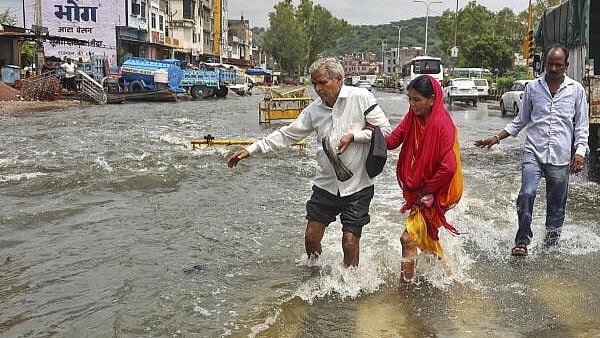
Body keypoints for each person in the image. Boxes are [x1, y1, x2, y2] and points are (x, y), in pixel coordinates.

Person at [227, 57, 391, 267]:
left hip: (358, 184)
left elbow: (385, 131)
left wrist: (354, 136)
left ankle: (352, 290)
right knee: (311, 238)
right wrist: (251, 149)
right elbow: (287, 134)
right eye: (315, 84)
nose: (318, 88)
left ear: (339, 79)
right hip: (327, 184)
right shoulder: (314, 110)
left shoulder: (361, 97)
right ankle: (315, 276)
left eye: (323, 83)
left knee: (350, 242)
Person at [474, 44, 589, 256]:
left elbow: (582, 126)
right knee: (526, 193)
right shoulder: (533, 88)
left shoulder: (576, 91)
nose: (553, 69)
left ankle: (551, 245)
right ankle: (522, 241)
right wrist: (497, 137)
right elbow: (521, 120)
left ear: (567, 65)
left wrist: (580, 152)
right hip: (533, 152)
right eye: (550, 64)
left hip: (561, 156)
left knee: (557, 206)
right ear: (544, 64)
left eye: (558, 65)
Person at [386, 75, 463, 281]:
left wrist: (426, 191)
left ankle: (405, 289)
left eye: (417, 100)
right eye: (410, 99)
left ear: (432, 99)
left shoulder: (442, 124)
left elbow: (448, 167)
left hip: (439, 189)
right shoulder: (413, 117)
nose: (412, 105)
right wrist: (367, 137)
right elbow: (394, 140)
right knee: (425, 238)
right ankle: (450, 279)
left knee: (407, 239)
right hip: (426, 188)